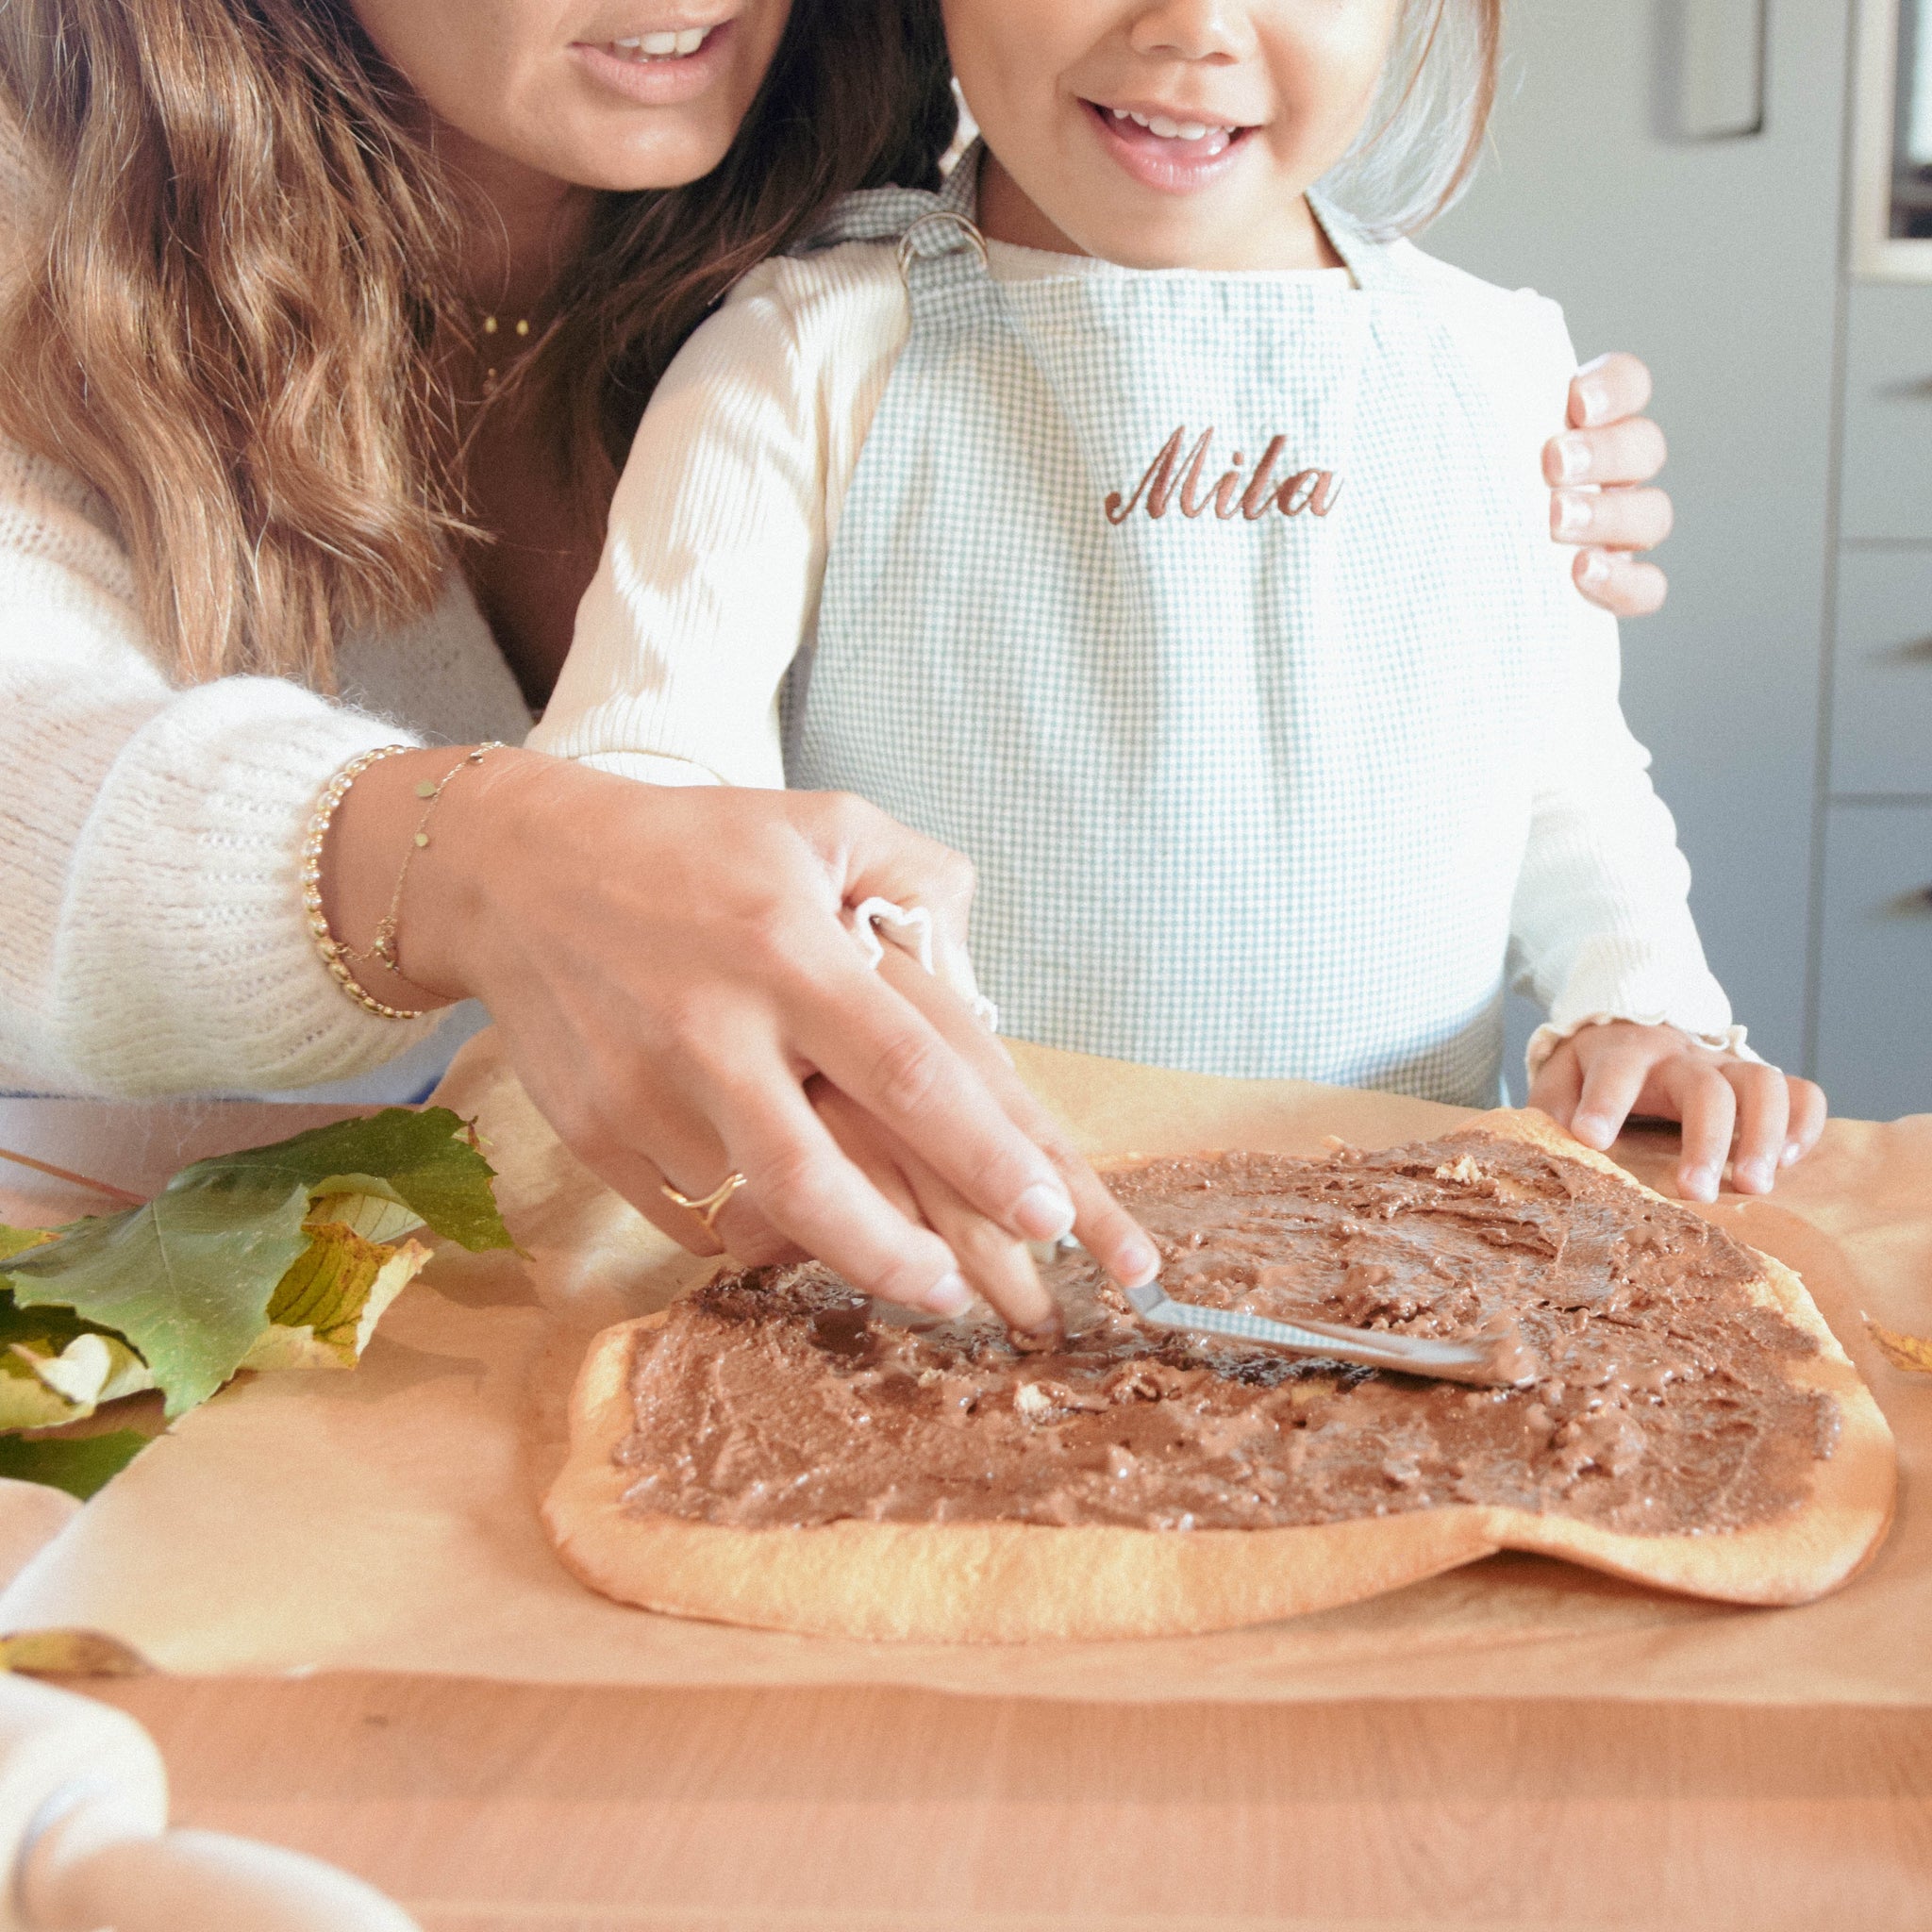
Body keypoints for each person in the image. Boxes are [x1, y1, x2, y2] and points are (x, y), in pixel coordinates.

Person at [0, 0, 1680, 1336]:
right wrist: (486, 857)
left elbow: (1538, 755)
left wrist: (1452, 487)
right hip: (146, 1283)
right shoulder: (45, 220)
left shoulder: (899, 216)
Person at [536, 0, 1828, 1250]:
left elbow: (1560, 770)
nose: (1194, 25)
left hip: (1406, 1257)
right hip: (942, 1237)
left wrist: (1645, 1005)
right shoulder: (803, 355)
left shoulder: (1498, 370)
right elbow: (632, 815)